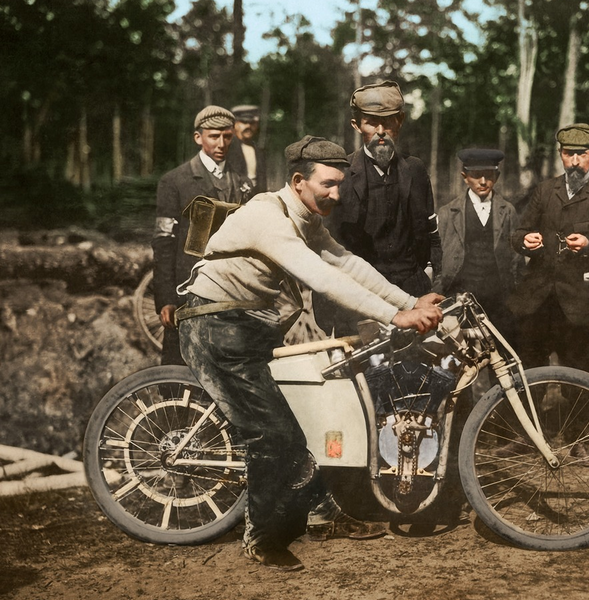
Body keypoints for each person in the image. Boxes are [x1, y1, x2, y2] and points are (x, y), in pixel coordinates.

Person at [176, 135, 443, 571]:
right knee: (274, 436)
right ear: (299, 181)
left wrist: (408, 303)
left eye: (340, 184)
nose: (337, 195)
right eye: (329, 185)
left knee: (304, 419)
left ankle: (320, 514)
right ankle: (261, 539)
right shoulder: (268, 216)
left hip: (248, 328)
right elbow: (320, 277)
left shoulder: (304, 216)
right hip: (215, 328)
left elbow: (348, 264)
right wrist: (394, 317)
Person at [321, 80, 442, 335]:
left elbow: (431, 234)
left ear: (400, 122)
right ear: (356, 125)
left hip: (413, 293)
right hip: (360, 299)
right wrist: (330, 318)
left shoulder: (416, 170)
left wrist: (431, 278)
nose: (381, 131)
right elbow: (326, 248)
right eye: (371, 123)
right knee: (366, 373)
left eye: (388, 122)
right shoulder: (341, 175)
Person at [509, 123, 589, 375]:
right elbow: (518, 235)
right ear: (561, 154)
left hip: (579, 306)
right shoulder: (544, 191)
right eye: (567, 154)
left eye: (582, 154)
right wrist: (525, 241)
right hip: (537, 302)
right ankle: (529, 415)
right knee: (528, 373)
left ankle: (580, 415)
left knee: (580, 377)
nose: (574, 161)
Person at [151, 105, 253, 365]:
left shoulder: (243, 183)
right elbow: (163, 243)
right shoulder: (175, 181)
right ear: (199, 138)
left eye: (227, 136)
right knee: (180, 370)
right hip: (188, 291)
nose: (221, 143)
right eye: (214, 136)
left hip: (232, 292)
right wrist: (166, 299)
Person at [435, 148, 522, 344]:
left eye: (489, 175)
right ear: (465, 177)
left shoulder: (507, 211)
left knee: (501, 360)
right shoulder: (448, 212)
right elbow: (437, 259)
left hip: (499, 301)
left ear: (497, 177)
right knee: (459, 358)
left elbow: (516, 260)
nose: (483, 182)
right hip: (460, 300)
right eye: (476, 176)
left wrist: (516, 299)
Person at [227, 104, 267, 193]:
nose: (248, 126)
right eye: (244, 122)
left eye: (252, 123)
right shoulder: (226, 148)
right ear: (234, 124)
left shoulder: (258, 149)